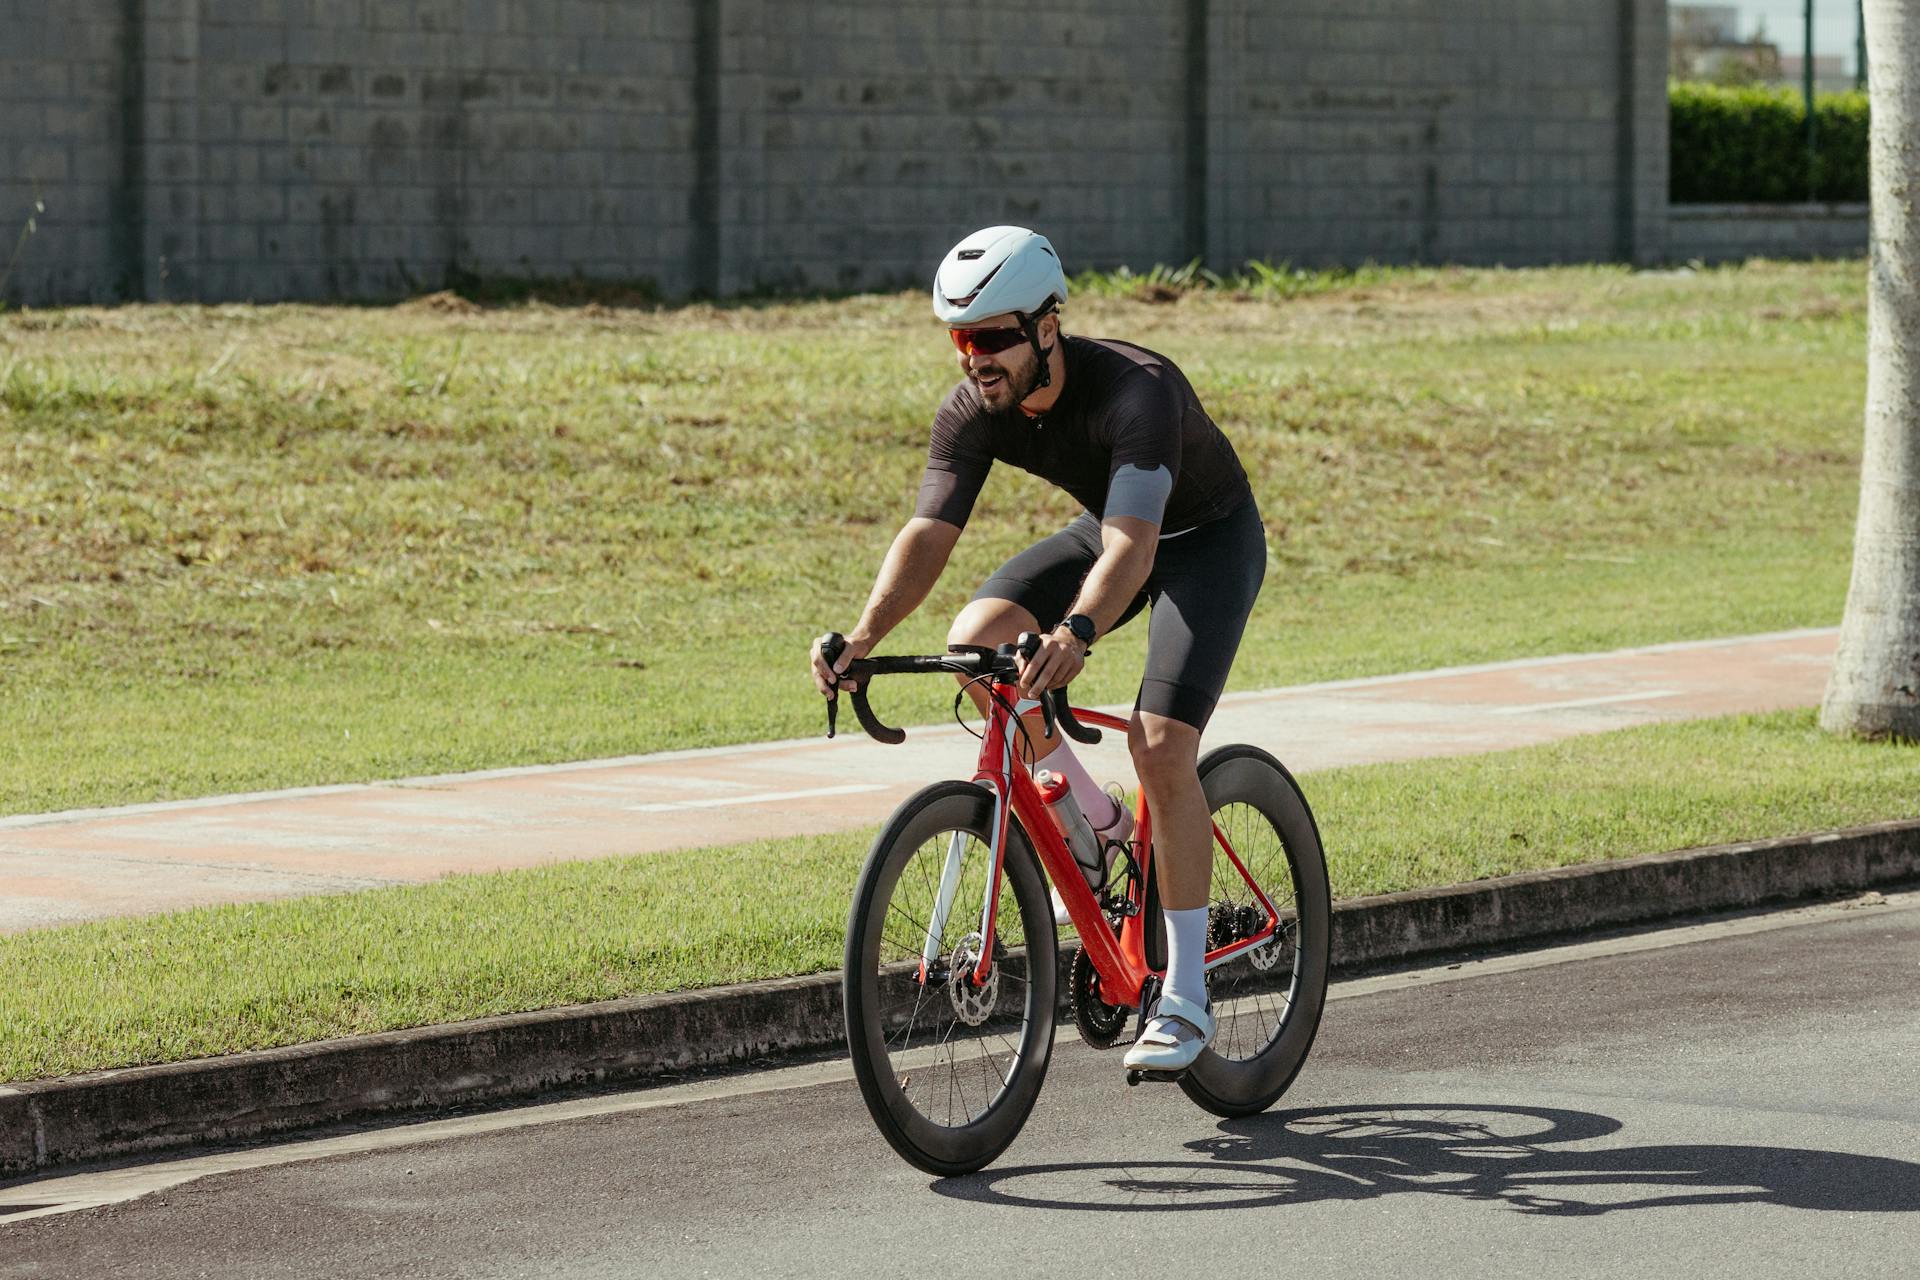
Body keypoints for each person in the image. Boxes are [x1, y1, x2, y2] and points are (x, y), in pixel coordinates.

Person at [808, 226, 1265, 1074]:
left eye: (990, 338)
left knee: (1160, 743)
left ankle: (1188, 995)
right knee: (974, 649)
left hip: (1204, 542)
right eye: (958, 339)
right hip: (1110, 532)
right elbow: (928, 534)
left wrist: (1076, 634)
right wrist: (863, 637)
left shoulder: (1138, 391)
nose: (973, 359)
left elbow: (1134, 552)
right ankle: (1092, 824)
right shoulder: (975, 407)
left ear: (1046, 327)